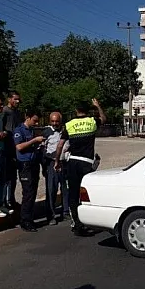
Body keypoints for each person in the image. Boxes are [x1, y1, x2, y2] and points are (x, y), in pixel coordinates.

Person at [54, 98, 106, 236]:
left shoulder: (69, 125)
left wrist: (57, 161)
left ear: (76, 110)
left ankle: (76, 223)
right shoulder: (92, 122)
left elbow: (60, 145)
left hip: (73, 162)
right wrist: (97, 106)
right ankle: (88, 219)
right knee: (87, 193)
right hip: (87, 163)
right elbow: (103, 118)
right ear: (87, 110)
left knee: (73, 194)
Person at [13, 109, 44, 231]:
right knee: (28, 193)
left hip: (33, 163)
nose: (36, 124)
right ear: (28, 117)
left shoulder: (31, 130)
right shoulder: (19, 130)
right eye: (35, 121)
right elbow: (19, 147)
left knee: (33, 191)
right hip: (24, 165)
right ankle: (25, 221)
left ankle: (29, 217)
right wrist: (34, 141)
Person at [42, 112, 69, 225]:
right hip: (51, 164)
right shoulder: (46, 132)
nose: (55, 123)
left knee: (66, 189)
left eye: (57, 121)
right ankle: (51, 215)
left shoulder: (66, 131)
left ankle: (66, 212)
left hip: (64, 163)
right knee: (51, 190)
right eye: (52, 121)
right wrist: (44, 167)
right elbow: (42, 150)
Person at [1, 91, 21, 211]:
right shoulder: (5, 111)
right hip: (7, 147)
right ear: (9, 99)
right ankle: (3, 201)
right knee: (6, 177)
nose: (17, 101)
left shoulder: (17, 112)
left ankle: (11, 199)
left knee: (13, 177)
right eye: (15, 99)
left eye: (18, 99)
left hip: (16, 147)